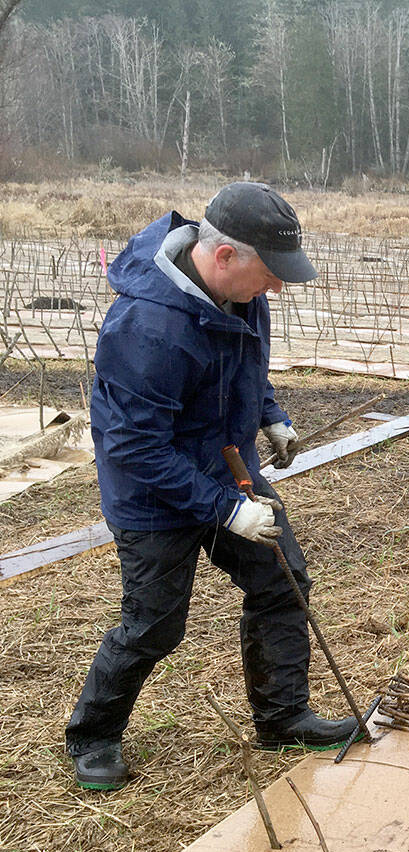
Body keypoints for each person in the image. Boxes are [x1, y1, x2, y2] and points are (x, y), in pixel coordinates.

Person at [65, 182, 354, 791]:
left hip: (229, 466)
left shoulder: (242, 295)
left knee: (281, 581)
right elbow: (133, 445)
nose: (276, 287)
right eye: (269, 273)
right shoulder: (146, 326)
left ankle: (282, 717)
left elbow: (246, 363)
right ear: (224, 256)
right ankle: (92, 735)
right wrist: (225, 509)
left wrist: (269, 412)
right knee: (154, 624)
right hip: (154, 495)